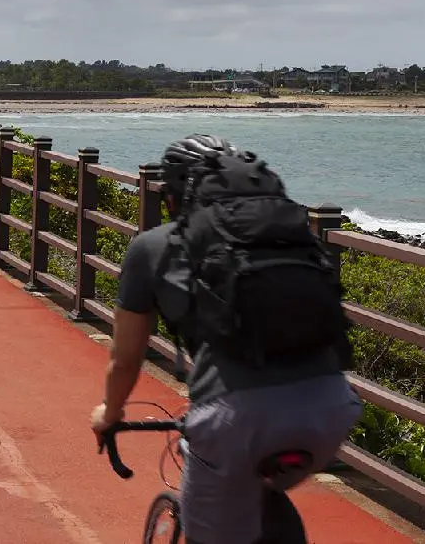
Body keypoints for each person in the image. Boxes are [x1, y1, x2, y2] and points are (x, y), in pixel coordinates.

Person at [89, 133, 362, 544]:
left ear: (174, 196)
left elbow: (126, 359)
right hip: (332, 410)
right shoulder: (285, 237)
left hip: (237, 422)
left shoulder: (152, 247)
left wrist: (109, 415)